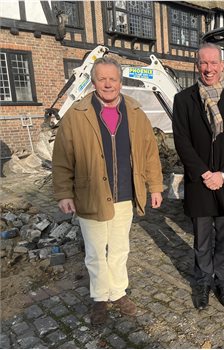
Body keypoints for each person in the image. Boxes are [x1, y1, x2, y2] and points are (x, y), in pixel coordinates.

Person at [52, 57, 164, 325]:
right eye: (102, 79)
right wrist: (64, 193)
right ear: (93, 82)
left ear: (121, 82)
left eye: (112, 79)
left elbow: (150, 153)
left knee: (119, 249)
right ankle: (100, 297)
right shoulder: (77, 115)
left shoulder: (135, 112)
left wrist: (155, 187)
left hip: (125, 193)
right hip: (90, 195)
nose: (107, 84)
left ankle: (118, 292)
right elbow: (62, 158)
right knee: (94, 252)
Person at [172, 43, 224, 310]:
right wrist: (205, 173)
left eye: (214, 63)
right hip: (199, 180)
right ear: (197, 65)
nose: (209, 69)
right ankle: (203, 281)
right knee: (201, 236)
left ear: (222, 65)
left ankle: (223, 281)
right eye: (204, 63)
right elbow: (182, 141)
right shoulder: (183, 100)